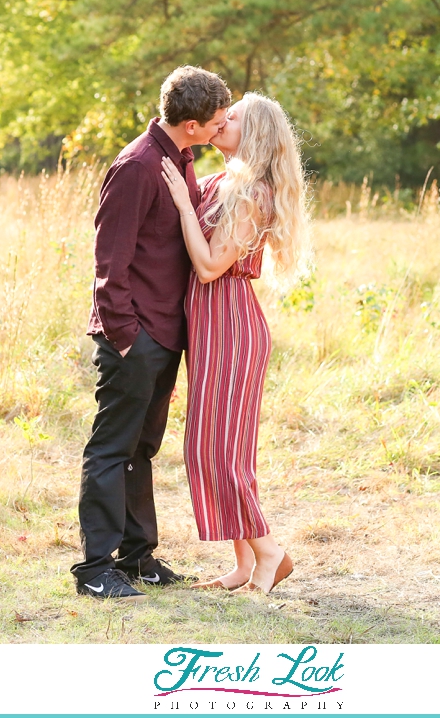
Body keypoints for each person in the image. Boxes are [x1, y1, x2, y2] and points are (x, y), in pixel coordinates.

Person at [72, 65, 231, 601]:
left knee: (143, 448)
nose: (222, 127)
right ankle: (95, 568)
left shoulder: (180, 158)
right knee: (112, 449)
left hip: (165, 332)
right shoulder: (138, 166)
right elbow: (108, 261)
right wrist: (125, 336)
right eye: (216, 121)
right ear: (190, 124)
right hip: (133, 335)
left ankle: (137, 557)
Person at [160, 92, 311, 594]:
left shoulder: (253, 194)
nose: (223, 120)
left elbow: (208, 267)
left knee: (218, 451)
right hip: (209, 327)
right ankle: (244, 565)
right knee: (223, 448)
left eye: (236, 117)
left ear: (256, 133)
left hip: (230, 325)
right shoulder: (223, 181)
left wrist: (184, 206)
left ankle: (270, 553)